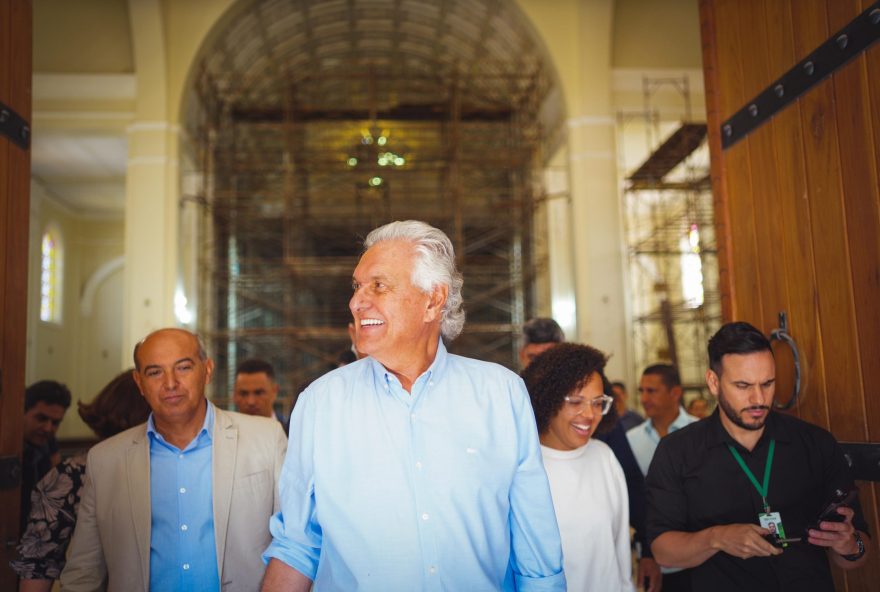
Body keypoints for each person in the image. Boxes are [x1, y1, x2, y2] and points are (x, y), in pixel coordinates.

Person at [261, 220, 565, 591]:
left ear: (433, 300)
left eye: (379, 285)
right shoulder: (319, 404)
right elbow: (297, 544)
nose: (356, 301)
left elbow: (536, 552)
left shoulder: (501, 395)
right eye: (357, 286)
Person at [647, 322, 870, 591]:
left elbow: (858, 555)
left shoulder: (816, 444)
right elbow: (662, 551)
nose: (758, 398)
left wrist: (850, 544)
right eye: (743, 385)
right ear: (713, 382)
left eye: (768, 383)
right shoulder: (677, 451)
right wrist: (716, 538)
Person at [61, 328, 288, 592]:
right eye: (155, 372)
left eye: (183, 368)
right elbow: (84, 572)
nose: (170, 383)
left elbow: (294, 541)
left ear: (208, 370)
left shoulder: (265, 439)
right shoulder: (106, 460)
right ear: (139, 383)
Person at [518, 317, 660, 591]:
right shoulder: (522, 463)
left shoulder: (604, 457)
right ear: (547, 398)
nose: (589, 415)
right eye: (575, 402)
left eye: (598, 403)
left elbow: (618, 547)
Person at [11, 370, 151, 592]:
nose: (48, 428)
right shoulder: (73, 475)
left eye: (55, 422)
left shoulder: (70, 471)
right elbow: (37, 565)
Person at [627, 364, 698, 591]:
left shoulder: (700, 433)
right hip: (652, 559)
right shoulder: (631, 440)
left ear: (675, 393)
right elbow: (635, 502)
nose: (644, 398)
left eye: (652, 391)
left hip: (699, 555)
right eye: (641, 391)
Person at [20, 381, 72, 534]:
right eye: (41, 418)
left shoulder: (49, 442)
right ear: (22, 411)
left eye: (55, 422)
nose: (48, 428)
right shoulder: (8, 445)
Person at [233, 358, 288, 433]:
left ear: (275, 391)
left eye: (258, 393)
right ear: (234, 394)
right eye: (243, 393)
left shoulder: (292, 434)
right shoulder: (220, 436)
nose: (251, 402)